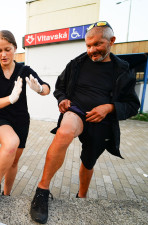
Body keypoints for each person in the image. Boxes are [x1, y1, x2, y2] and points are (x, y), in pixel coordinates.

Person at [30, 21, 140, 224]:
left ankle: (82, 195)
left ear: (112, 41)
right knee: (63, 133)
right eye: (88, 45)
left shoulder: (123, 70)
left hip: (102, 122)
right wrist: (62, 99)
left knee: (88, 162)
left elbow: (133, 105)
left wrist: (109, 108)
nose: (91, 50)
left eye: (97, 44)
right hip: (77, 112)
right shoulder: (77, 63)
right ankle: (42, 190)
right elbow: (59, 87)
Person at [0, 30, 50, 215]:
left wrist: (39, 89)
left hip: (21, 120)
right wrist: (10, 98)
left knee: (13, 162)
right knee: (11, 143)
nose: (3, 54)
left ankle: (7, 193)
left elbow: (46, 88)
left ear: (15, 49)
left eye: (7, 49)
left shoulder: (23, 70)